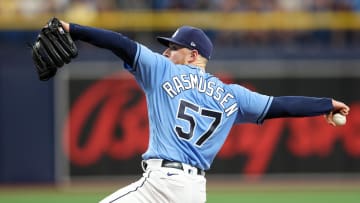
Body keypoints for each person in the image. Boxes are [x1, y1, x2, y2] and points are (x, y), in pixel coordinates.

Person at [59, 21, 350, 203]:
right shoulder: (232, 95)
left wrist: (72, 29)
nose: (165, 54)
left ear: (193, 54)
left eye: (173, 48)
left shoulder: (162, 71)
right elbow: (281, 105)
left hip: (159, 187)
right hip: (194, 192)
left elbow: (119, 43)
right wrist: (325, 104)